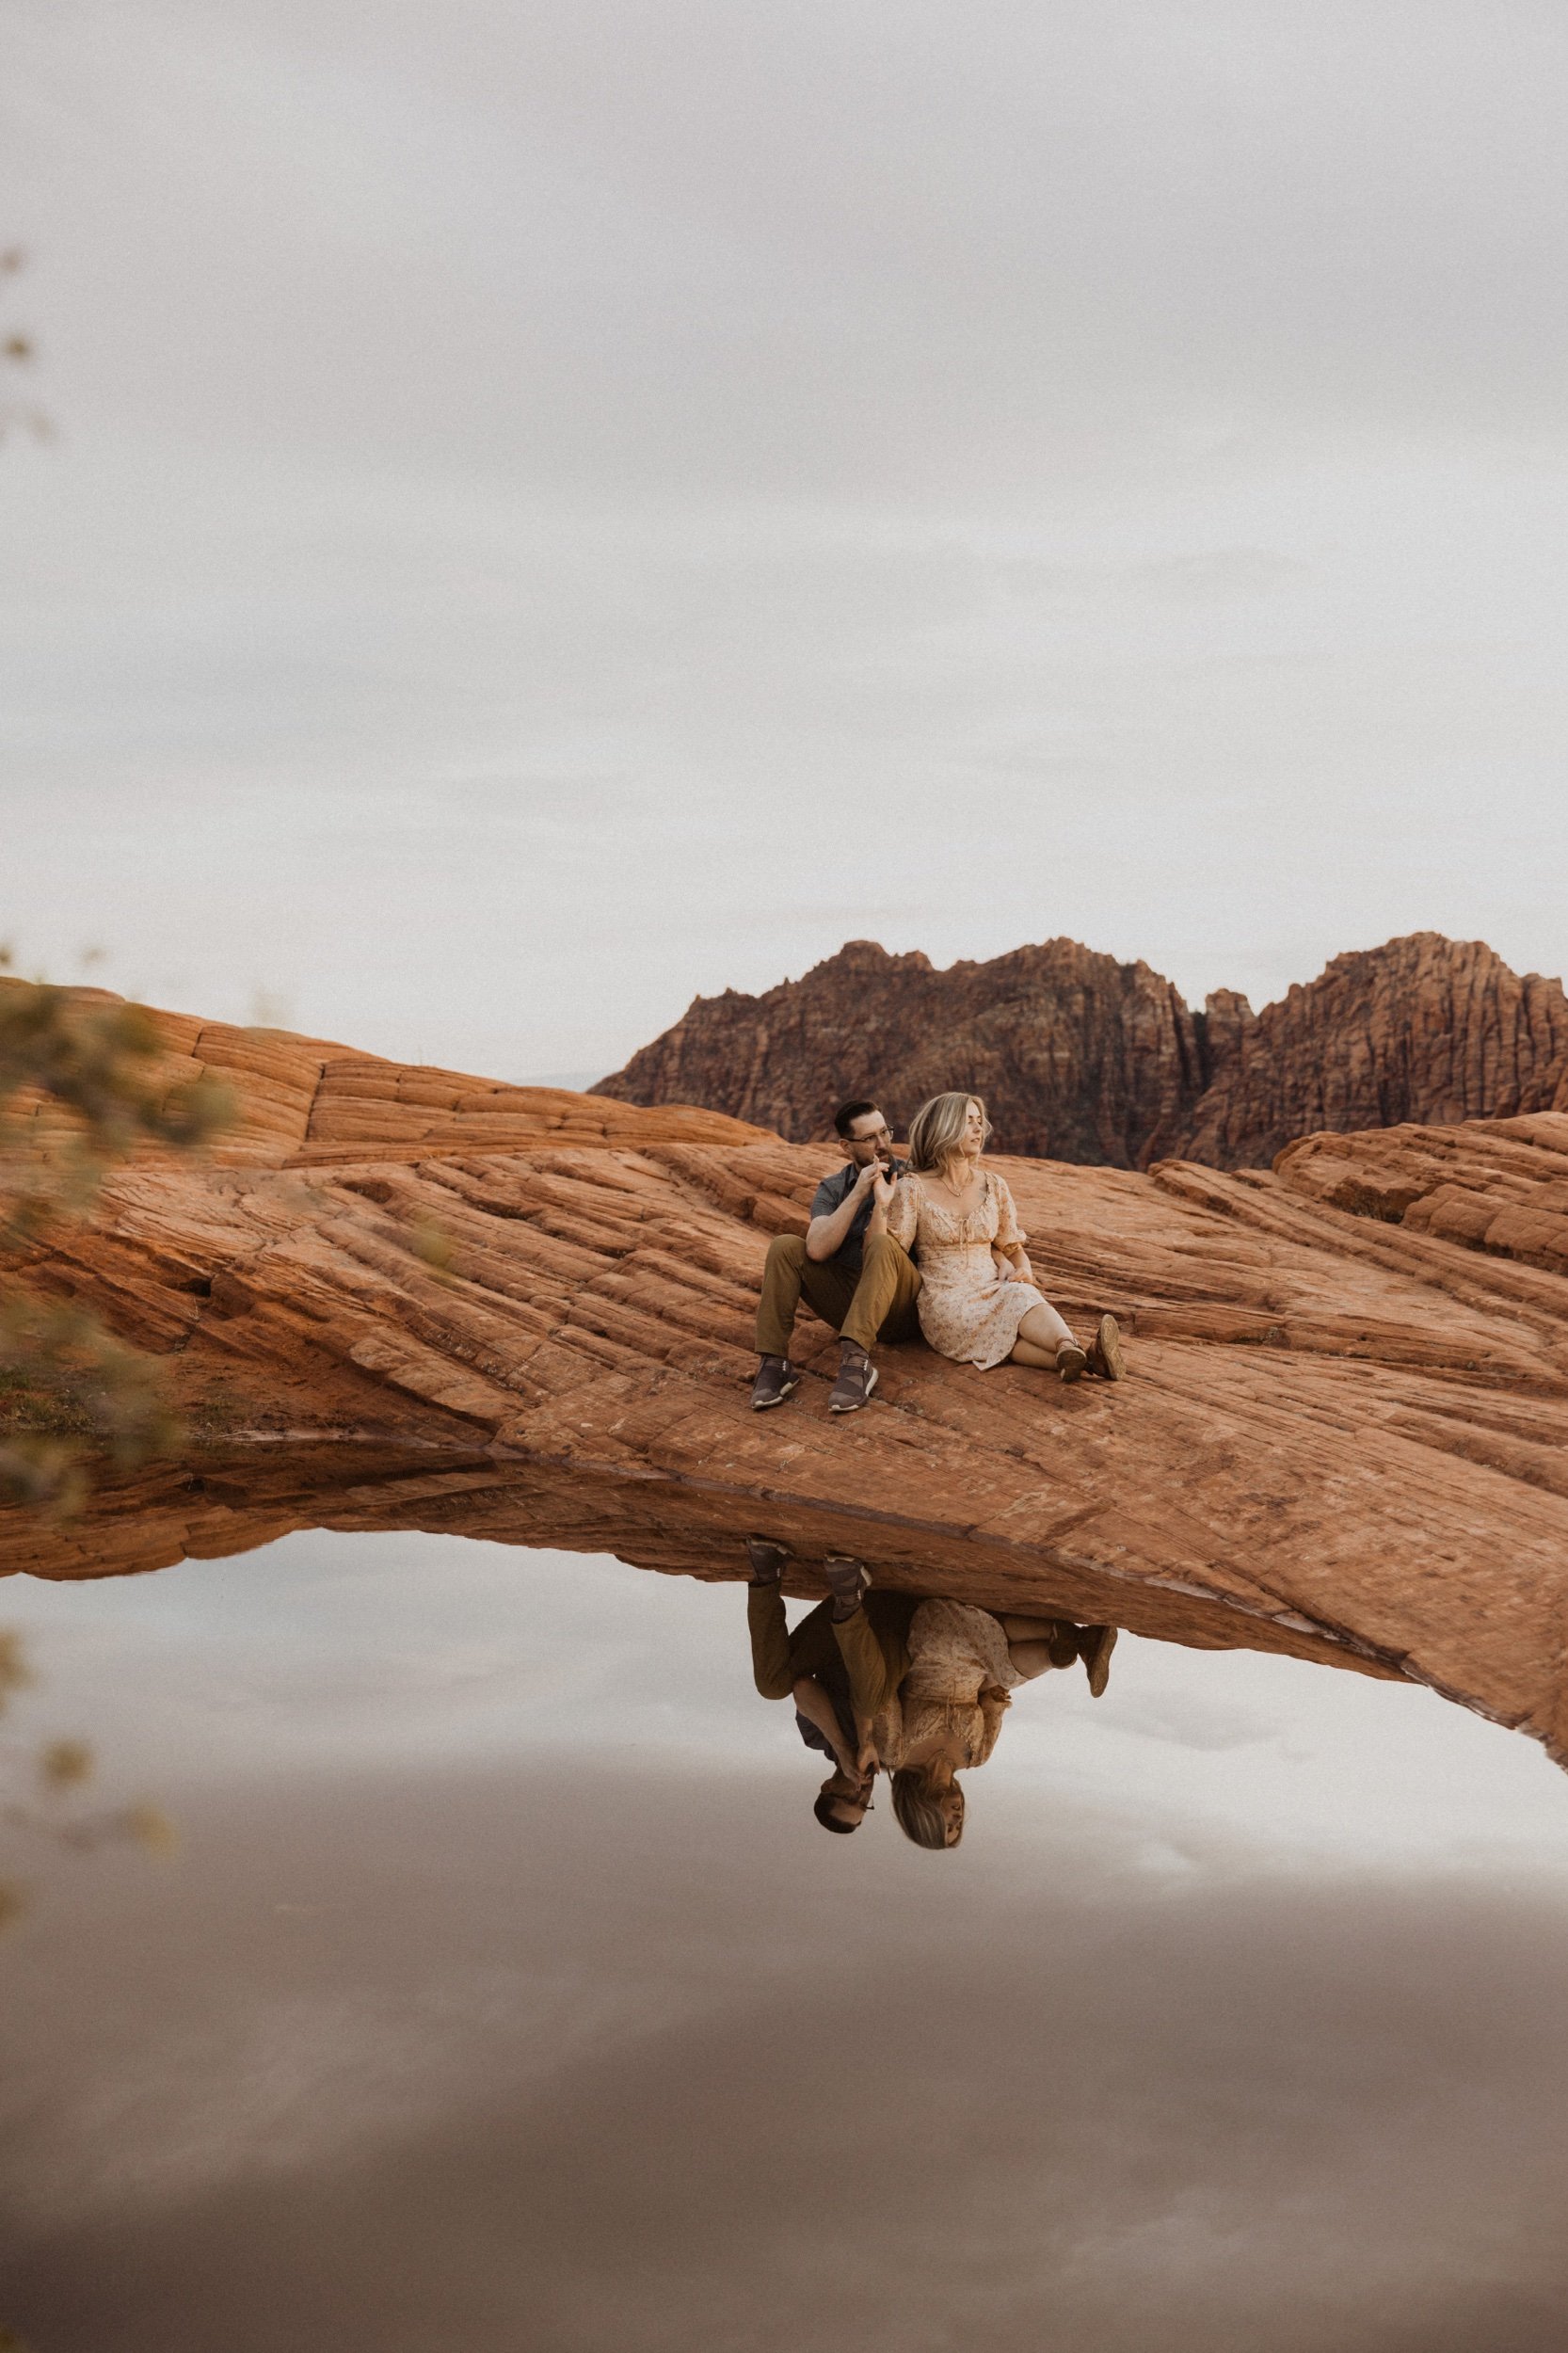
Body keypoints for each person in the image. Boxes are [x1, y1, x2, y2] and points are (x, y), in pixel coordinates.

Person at [881, 1091, 1126, 1386]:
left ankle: (1069, 1349)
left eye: (979, 1121)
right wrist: (881, 1206)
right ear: (943, 1127)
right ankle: (1085, 1355)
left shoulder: (994, 1185)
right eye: (968, 1121)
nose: (978, 1129)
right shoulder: (912, 1189)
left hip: (995, 1286)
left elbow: (1012, 1247)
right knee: (1007, 1318)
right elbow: (891, 1251)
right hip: (946, 1300)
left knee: (1019, 1294)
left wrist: (1024, 1271)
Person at [874, 1595, 1117, 1851]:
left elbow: (882, 1695)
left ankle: (1074, 1644)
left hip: (935, 1643)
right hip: (983, 1664)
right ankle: (1069, 1645)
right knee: (1005, 1676)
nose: (958, 1818)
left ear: (925, 1817)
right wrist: (995, 1671)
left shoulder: (895, 1752)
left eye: (949, 1825)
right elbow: (994, 1696)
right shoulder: (977, 1756)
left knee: (1002, 1668)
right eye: (959, 1825)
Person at [752, 1097, 922, 1416]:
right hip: (851, 1300)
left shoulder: (913, 1177)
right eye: (869, 1138)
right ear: (846, 1146)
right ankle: (775, 1363)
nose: (882, 1143)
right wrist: (859, 1192)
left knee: (882, 1245)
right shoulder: (833, 1188)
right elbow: (817, 1249)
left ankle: (857, 1361)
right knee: (785, 1246)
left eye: (884, 1132)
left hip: (902, 1304)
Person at [743, 1537, 916, 1833]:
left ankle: (768, 1572)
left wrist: (844, 1750)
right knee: (870, 1703)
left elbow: (802, 1688)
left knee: (772, 1686)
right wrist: (866, 1742)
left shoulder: (818, 1738)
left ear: (827, 1786)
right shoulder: (893, 1753)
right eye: (864, 1804)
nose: (862, 1795)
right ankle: (849, 1594)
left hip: (840, 1626)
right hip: (890, 1629)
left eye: (849, 1799)